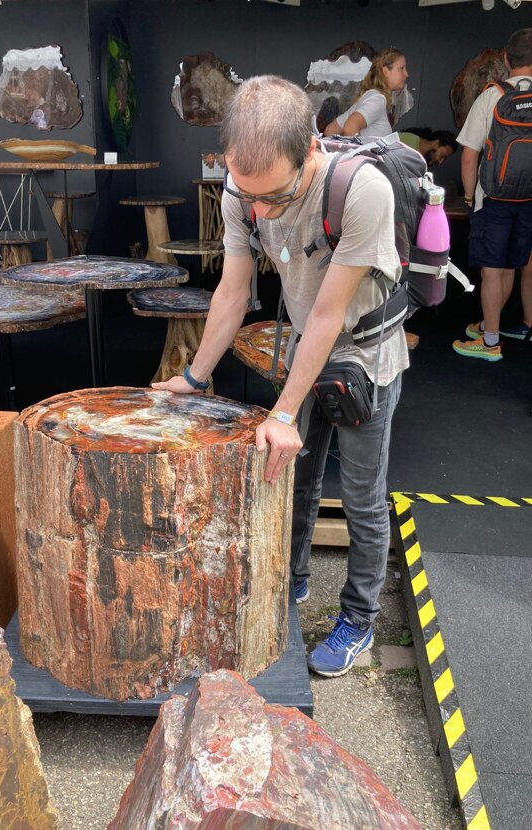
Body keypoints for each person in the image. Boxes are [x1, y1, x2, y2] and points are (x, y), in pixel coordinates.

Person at [153, 76, 408, 678]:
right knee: (292, 477)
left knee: (364, 497)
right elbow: (233, 290)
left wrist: (285, 411)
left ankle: (358, 619)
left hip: (365, 355)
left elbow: (328, 315)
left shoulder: (360, 191)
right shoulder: (242, 190)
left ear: (311, 149)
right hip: (303, 349)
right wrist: (194, 375)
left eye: (275, 196)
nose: (258, 210)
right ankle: (288, 585)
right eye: (247, 194)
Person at [453, 28, 532, 362]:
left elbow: (469, 156)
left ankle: (489, 342)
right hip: (528, 201)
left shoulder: (492, 96)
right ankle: (490, 325)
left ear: (504, 59)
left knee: (491, 271)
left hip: (494, 198)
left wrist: (471, 198)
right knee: (511, 266)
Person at [324, 48, 409, 139]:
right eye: (401, 68)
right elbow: (350, 126)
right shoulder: (378, 99)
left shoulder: (367, 97)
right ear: (386, 71)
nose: (406, 74)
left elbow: (330, 130)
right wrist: (354, 151)